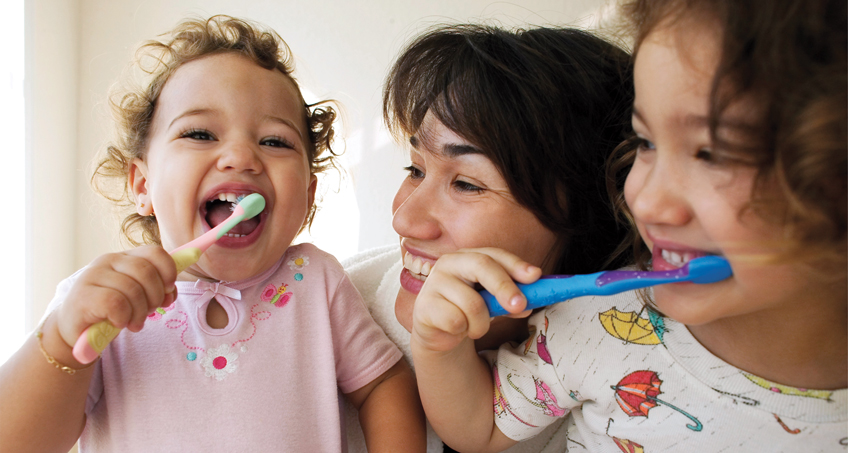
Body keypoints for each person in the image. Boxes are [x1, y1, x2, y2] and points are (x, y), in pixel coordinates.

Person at [409, 0, 847, 451]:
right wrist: (438, 345)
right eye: (646, 142)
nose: (645, 197)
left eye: (712, 154)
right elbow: (479, 430)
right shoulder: (603, 325)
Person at [0, 15, 425, 452]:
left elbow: (383, 384)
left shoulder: (314, 280)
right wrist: (62, 340)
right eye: (200, 133)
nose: (241, 156)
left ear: (308, 195)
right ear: (142, 186)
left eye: (275, 141)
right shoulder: (105, 303)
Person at [342, 24, 635, 452]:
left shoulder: (629, 370)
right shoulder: (322, 311)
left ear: (592, 215)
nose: (405, 220)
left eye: (466, 184)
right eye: (415, 169)